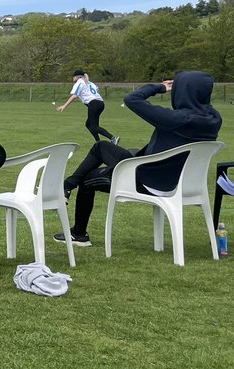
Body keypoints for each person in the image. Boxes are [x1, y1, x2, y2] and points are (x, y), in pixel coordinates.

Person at [56, 71, 223, 246]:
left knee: (93, 166)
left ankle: (78, 231)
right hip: (179, 182)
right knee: (130, 151)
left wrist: (159, 87)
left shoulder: (176, 118)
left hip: (150, 182)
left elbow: (132, 99)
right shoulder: (213, 120)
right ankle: (67, 187)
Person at [59, 69, 116, 144]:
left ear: (77, 76)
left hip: (93, 104)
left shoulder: (80, 82)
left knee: (93, 126)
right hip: (100, 103)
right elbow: (96, 90)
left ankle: (112, 138)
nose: (73, 78)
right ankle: (98, 142)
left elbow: (74, 96)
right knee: (89, 124)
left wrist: (64, 106)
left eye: (73, 76)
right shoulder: (90, 83)